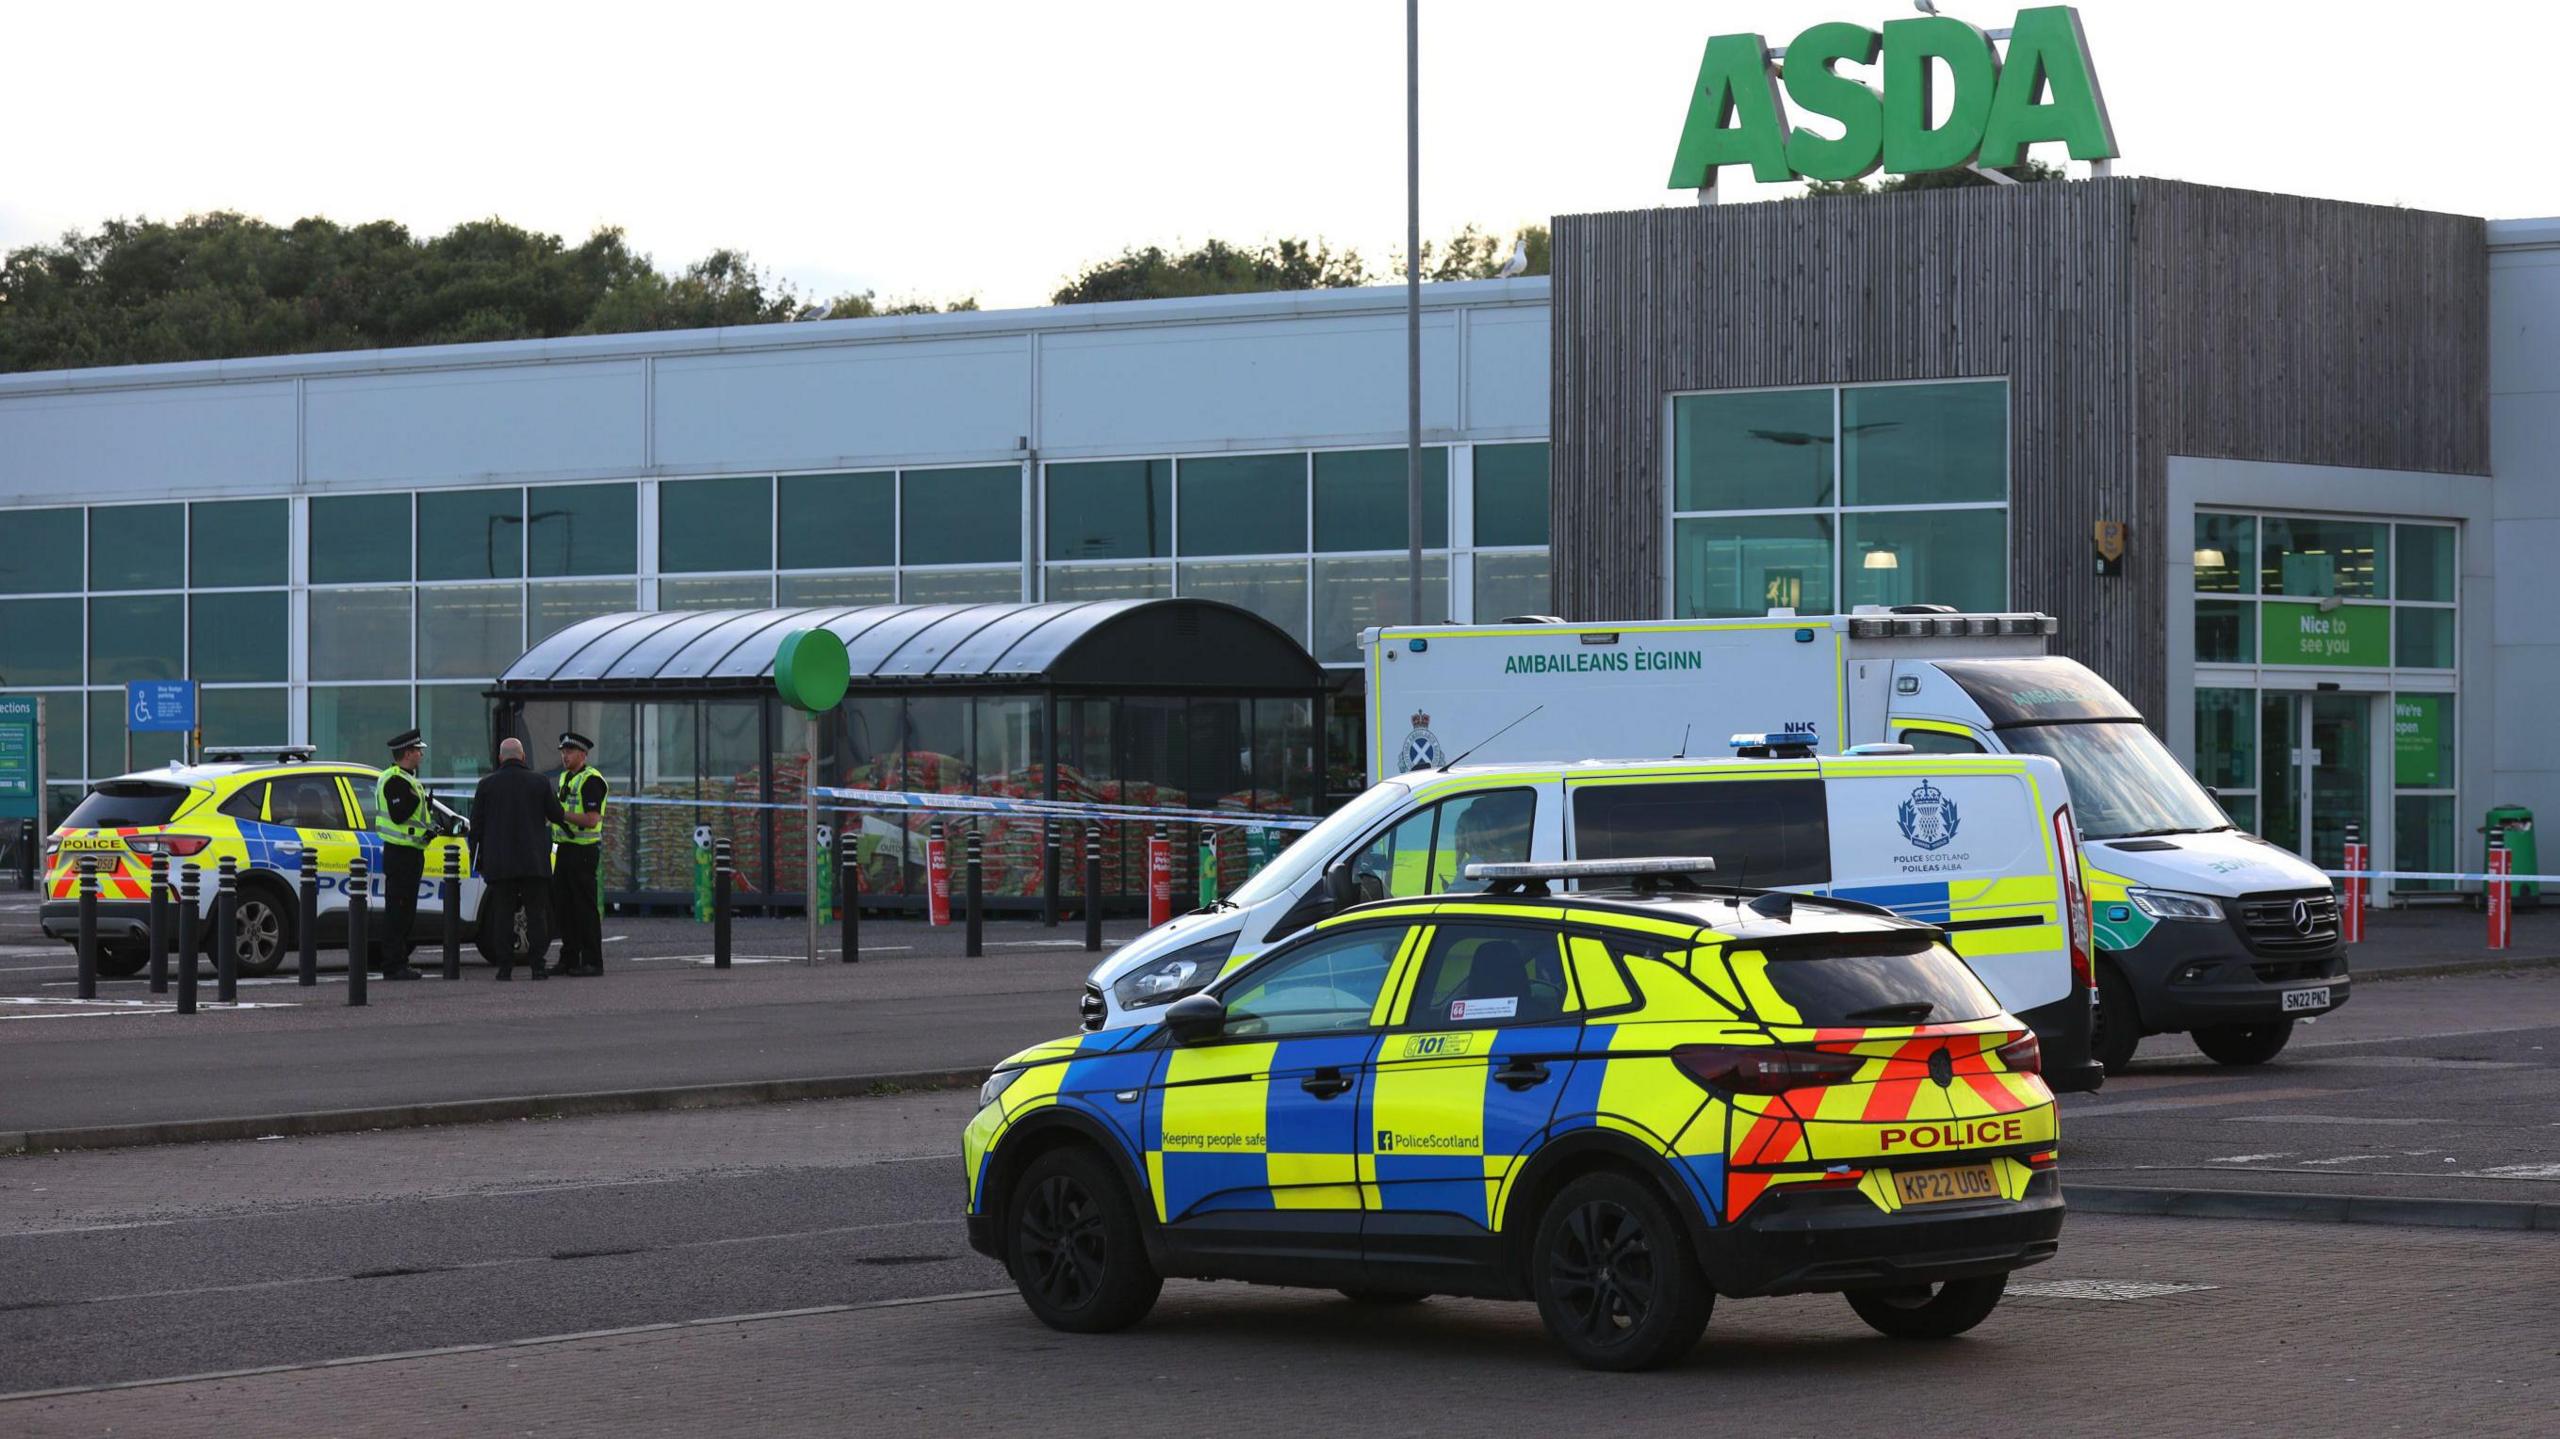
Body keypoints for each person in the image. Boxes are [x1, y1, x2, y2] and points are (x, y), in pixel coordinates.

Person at [471, 736, 571, 980]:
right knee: (537, 914)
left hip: (500, 862)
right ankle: (537, 966)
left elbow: (476, 827)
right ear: (523, 757)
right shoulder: (539, 782)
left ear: (500, 758)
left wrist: (479, 859)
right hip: (533, 861)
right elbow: (557, 814)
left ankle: (505, 968)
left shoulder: (486, 785)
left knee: (502, 915)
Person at [371, 729, 434, 980]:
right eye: (419, 750)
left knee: (405, 911)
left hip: (411, 852)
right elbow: (399, 815)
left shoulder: (407, 779)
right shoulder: (395, 779)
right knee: (398, 911)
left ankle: (399, 962)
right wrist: (413, 800)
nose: (421, 754)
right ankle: (393, 964)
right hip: (400, 854)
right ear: (408, 753)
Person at [549, 732, 608, 976]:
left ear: (583, 754)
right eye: (563, 751)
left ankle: (592, 960)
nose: (565, 756)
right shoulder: (566, 777)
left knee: (584, 908)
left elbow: (592, 820)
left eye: (570, 751)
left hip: (583, 852)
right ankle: (570, 958)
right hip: (564, 849)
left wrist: (560, 814)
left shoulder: (591, 781)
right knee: (564, 908)